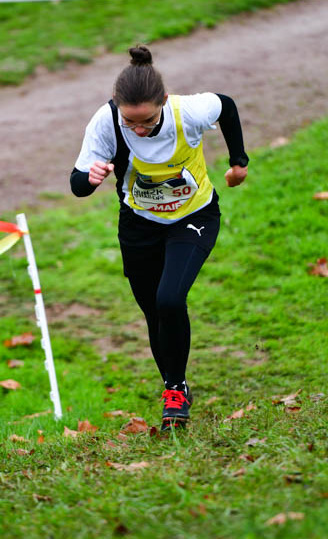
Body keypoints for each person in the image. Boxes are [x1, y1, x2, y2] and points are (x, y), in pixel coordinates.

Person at [70, 45, 249, 431]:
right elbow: (77, 184)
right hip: (139, 225)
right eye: (130, 121)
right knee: (154, 311)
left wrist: (239, 162)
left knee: (170, 299)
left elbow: (227, 106)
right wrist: (90, 178)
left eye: (148, 121)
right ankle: (175, 384)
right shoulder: (106, 121)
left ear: (164, 102)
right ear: (117, 106)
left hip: (194, 216)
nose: (138, 129)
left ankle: (175, 391)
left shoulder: (189, 112)